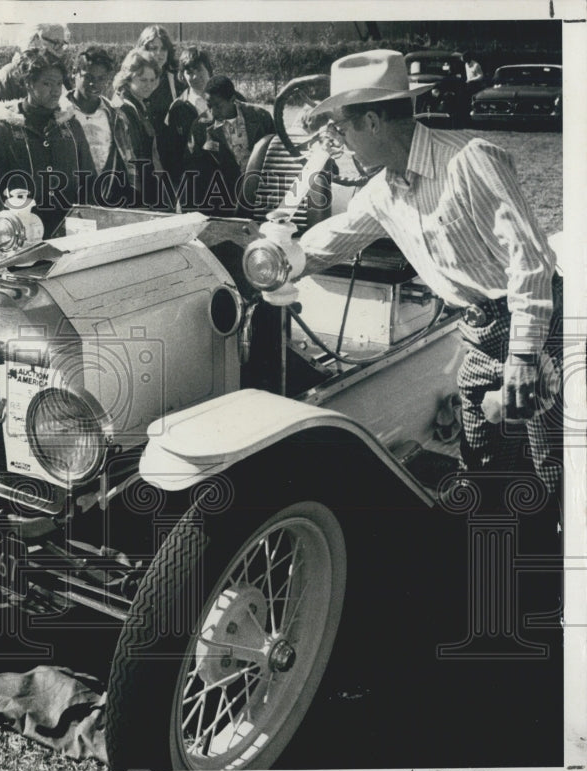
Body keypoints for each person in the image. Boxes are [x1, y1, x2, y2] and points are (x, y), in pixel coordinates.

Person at [298, 50, 562, 506]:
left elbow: (531, 260)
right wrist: (269, 260)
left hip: (538, 331)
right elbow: (329, 242)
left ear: (373, 122)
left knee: (554, 465)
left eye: (342, 129)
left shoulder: (469, 160)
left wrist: (523, 354)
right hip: (478, 336)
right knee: (480, 464)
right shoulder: (381, 191)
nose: (339, 143)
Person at [0, 49, 95, 239]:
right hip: (22, 237)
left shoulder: (71, 125)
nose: (56, 91)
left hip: (70, 234)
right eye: (47, 83)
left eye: (59, 83)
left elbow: (89, 181)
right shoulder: (3, 129)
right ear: (28, 83)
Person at [187, 74, 274, 215]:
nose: (213, 112)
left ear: (233, 100)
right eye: (209, 106)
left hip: (259, 193)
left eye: (218, 106)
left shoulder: (261, 118)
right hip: (222, 199)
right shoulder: (200, 126)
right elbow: (194, 168)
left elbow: (274, 154)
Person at [62, 46, 133, 206]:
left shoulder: (116, 116)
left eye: (101, 78)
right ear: (74, 72)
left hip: (108, 199)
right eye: (88, 77)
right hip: (67, 201)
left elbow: (127, 161)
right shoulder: (58, 113)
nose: (94, 84)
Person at [0, 23, 70, 128]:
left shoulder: (56, 73)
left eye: (62, 44)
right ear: (36, 40)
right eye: (56, 43)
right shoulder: (6, 77)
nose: (61, 51)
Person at [111, 48, 164, 209]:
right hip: (134, 194)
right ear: (128, 78)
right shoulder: (125, 109)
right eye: (143, 80)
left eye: (152, 80)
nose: (149, 85)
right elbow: (132, 159)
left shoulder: (137, 104)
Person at [135, 25, 186, 173]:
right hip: (142, 156)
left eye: (163, 48)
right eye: (153, 48)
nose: (159, 53)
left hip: (172, 156)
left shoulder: (176, 78)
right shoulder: (131, 79)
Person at [164, 46, 213, 185]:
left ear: (209, 70)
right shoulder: (177, 108)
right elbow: (171, 154)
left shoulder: (230, 99)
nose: (196, 76)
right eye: (190, 72)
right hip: (193, 184)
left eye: (200, 70)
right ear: (182, 75)